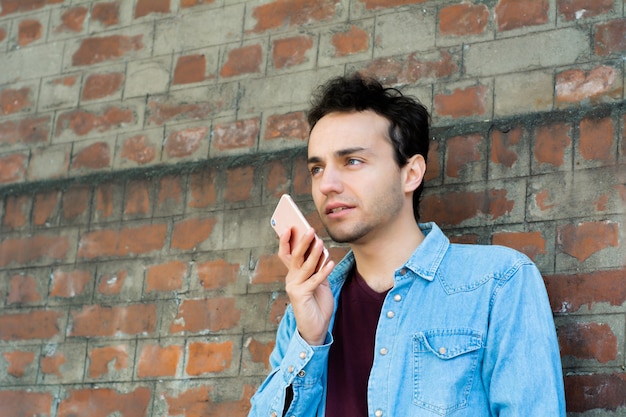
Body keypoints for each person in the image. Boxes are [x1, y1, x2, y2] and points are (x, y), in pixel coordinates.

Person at [249, 74, 566, 416]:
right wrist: (309, 341)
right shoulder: (307, 307)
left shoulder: (498, 282)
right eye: (316, 168)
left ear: (411, 173)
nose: (327, 184)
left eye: (352, 161)